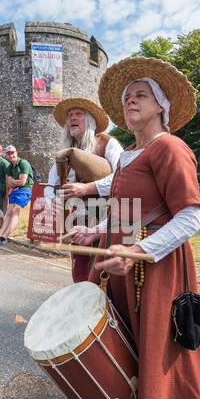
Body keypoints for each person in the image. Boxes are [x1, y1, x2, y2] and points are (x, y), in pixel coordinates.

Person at [74, 57, 200, 399]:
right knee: (126, 345)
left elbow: (189, 219)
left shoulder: (170, 147)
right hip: (120, 264)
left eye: (141, 95)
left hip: (156, 269)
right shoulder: (128, 155)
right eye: (127, 97)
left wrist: (137, 250)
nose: (131, 101)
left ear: (161, 106)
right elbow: (126, 213)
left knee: (158, 353)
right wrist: (95, 231)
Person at [45, 97, 123, 282]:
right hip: (76, 219)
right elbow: (50, 184)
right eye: (70, 115)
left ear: (90, 120)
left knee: (102, 273)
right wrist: (52, 200)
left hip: (105, 216)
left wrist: (87, 188)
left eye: (78, 114)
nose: (73, 117)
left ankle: (104, 310)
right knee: (79, 274)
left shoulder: (107, 143)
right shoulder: (67, 151)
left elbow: (122, 176)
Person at [0, 145, 34, 246]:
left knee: (15, 211)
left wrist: (13, 181)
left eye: (12, 153)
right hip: (15, 190)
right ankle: (0, 236)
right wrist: (14, 182)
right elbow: (9, 183)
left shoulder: (23, 163)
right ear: (6, 156)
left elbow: (22, 182)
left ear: (16, 153)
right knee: (9, 212)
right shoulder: (9, 166)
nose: (11, 155)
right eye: (8, 154)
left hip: (25, 189)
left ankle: (5, 237)